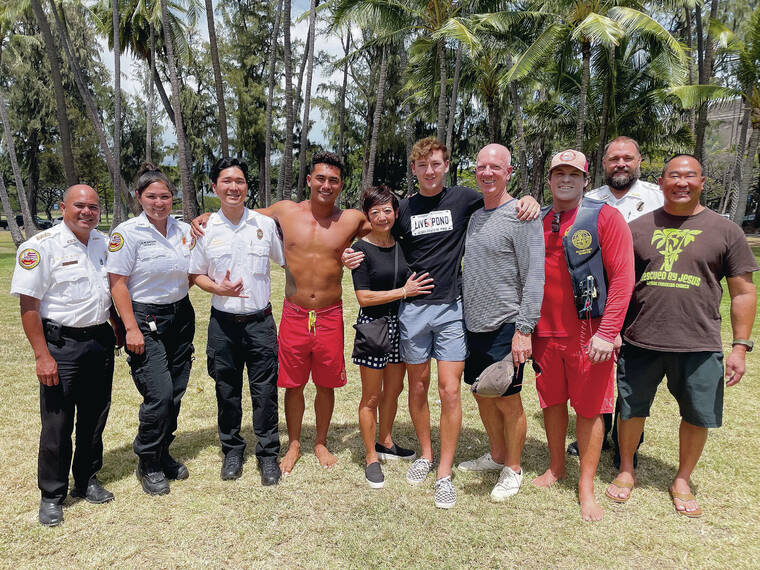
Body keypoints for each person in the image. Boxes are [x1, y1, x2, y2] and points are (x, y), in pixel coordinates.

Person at [343, 137, 540, 508]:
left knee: (450, 391)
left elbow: (502, 199)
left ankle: (444, 473)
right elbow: (374, 225)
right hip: (413, 311)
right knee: (417, 388)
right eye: (422, 166)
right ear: (413, 169)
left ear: (446, 166)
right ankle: (426, 455)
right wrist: (349, 249)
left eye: (436, 164)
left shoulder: (464, 199)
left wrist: (531, 199)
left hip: (452, 310)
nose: (429, 171)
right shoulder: (404, 209)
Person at [192, 151, 370, 476]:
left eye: (333, 180)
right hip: (295, 311)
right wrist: (207, 215)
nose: (326, 185)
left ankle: (319, 441)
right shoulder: (284, 212)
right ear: (309, 180)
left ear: (341, 185)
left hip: (329, 313)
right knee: (293, 384)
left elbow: (385, 231)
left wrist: (357, 254)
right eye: (320, 178)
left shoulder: (352, 219)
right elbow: (237, 213)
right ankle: (294, 444)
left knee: (326, 384)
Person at [605, 155, 757, 517]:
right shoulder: (638, 228)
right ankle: (626, 468)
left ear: (702, 182)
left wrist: (740, 346)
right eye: (674, 176)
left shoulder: (725, 231)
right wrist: (612, 331)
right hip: (640, 338)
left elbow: (744, 292)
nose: (682, 182)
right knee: (630, 407)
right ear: (661, 182)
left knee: (696, 414)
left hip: (699, 342)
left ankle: (682, 479)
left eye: (690, 176)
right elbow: (620, 285)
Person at [11, 185, 123, 526]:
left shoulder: (105, 244)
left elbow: (108, 292)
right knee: (58, 423)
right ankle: (52, 494)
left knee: (94, 417)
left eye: (93, 206)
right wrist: (41, 356)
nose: (87, 212)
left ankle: (86, 479)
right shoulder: (40, 247)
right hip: (61, 345)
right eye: (79, 206)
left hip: (99, 341)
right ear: (63, 207)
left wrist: (117, 325)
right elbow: (29, 305)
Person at [531, 149, 634, 521]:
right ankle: (556, 467)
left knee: (590, 410)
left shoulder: (605, 217)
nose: (565, 179)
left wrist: (609, 332)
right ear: (549, 179)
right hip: (544, 334)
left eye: (573, 173)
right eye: (558, 172)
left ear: (585, 180)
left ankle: (586, 485)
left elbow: (623, 278)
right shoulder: (537, 219)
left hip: (590, 334)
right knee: (552, 404)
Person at [567, 136, 663, 462]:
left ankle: (627, 445)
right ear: (604, 164)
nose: (621, 164)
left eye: (627, 158)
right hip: (597, 302)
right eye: (614, 159)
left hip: (642, 302)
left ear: (639, 161)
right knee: (597, 372)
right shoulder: (589, 201)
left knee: (632, 378)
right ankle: (594, 437)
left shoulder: (659, 199)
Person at [189, 158, 285, 485]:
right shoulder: (205, 229)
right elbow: (196, 273)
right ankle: (232, 450)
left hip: (260, 323)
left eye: (240, 181)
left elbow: (289, 258)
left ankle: (268, 454)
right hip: (223, 325)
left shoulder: (264, 225)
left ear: (247, 187)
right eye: (226, 181)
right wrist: (216, 287)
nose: (234, 187)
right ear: (214, 187)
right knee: (226, 390)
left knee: (265, 391)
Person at [457, 144, 544, 502]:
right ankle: (495, 455)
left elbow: (535, 274)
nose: (487, 173)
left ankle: (513, 467)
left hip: (507, 324)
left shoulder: (523, 216)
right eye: (481, 167)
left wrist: (524, 329)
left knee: (508, 400)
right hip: (473, 324)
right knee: (482, 392)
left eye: (495, 167)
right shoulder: (475, 215)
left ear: (509, 171)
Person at [107, 163, 196, 496]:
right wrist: (131, 328)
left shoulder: (182, 230)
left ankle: (162, 450)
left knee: (175, 392)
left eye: (165, 196)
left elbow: (191, 270)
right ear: (139, 197)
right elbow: (117, 283)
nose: (159, 202)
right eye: (152, 196)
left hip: (180, 316)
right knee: (158, 393)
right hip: (145, 318)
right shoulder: (127, 233)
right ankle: (148, 460)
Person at [350, 185, 434, 488]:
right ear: (367, 216)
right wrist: (403, 292)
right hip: (373, 327)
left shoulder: (402, 244)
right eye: (375, 212)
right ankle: (371, 457)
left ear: (395, 213)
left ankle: (385, 440)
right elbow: (363, 298)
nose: (383, 216)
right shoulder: (360, 251)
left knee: (394, 389)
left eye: (388, 210)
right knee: (371, 396)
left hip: (401, 326)